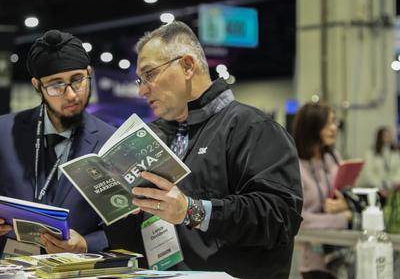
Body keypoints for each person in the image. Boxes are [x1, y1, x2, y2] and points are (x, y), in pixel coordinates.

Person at [106, 21, 303, 279]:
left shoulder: (253, 128)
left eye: (150, 74)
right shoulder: (151, 138)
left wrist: (191, 211)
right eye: (140, 80)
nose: (142, 90)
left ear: (187, 66)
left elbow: (280, 217)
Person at [0, 29, 116, 263]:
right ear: (37, 86)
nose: (71, 95)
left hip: (79, 272)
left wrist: (87, 244)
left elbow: (125, 223)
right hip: (9, 270)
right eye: (56, 85)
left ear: (89, 73)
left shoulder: (111, 141)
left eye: (78, 80)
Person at [293, 102, 352, 279]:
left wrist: (343, 204)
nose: (333, 128)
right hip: (312, 261)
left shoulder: (333, 157)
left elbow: (343, 195)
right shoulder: (295, 166)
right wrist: (343, 218)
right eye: (327, 124)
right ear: (311, 127)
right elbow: (299, 220)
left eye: (334, 122)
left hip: (341, 253)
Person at [357, 126, 400, 192]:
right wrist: (380, 186)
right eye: (386, 135)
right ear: (380, 137)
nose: (389, 137)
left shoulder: (396, 152)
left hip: (393, 188)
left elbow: (398, 170)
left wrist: (393, 184)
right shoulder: (370, 153)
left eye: (390, 135)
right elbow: (369, 173)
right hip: (375, 188)